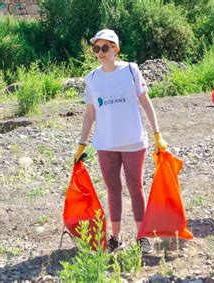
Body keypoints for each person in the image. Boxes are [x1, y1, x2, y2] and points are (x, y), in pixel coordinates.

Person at [73, 29, 168, 255]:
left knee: (136, 187)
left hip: (134, 141)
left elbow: (145, 102)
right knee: (112, 189)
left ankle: (142, 236)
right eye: (97, 48)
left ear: (116, 49)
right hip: (105, 144)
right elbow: (90, 113)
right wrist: (82, 144)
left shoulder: (131, 71)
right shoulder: (92, 78)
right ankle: (115, 238)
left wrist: (157, 133)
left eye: (105, 48)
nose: (100, 53)